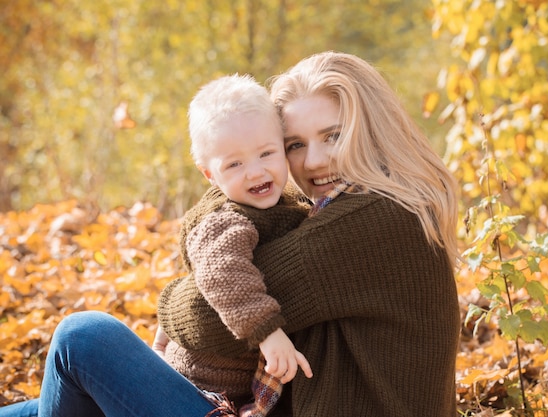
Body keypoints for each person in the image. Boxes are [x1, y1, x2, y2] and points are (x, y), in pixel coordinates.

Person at [0, 51, 460, 417]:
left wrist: (170, 298)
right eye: (296, 145)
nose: (314, 162)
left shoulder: (374, 221)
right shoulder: (388, 206)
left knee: (82, 337)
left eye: (333, 136)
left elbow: (210, 320)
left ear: (372, 130)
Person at [152, 73, 312, 416]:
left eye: (266, 153)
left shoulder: (287, 203)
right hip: (200, 383)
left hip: (233, 385)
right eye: (234, 164)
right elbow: (222, 271)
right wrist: (267, 332)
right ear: (209, 174)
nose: (255, 172)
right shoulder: (225, 217)